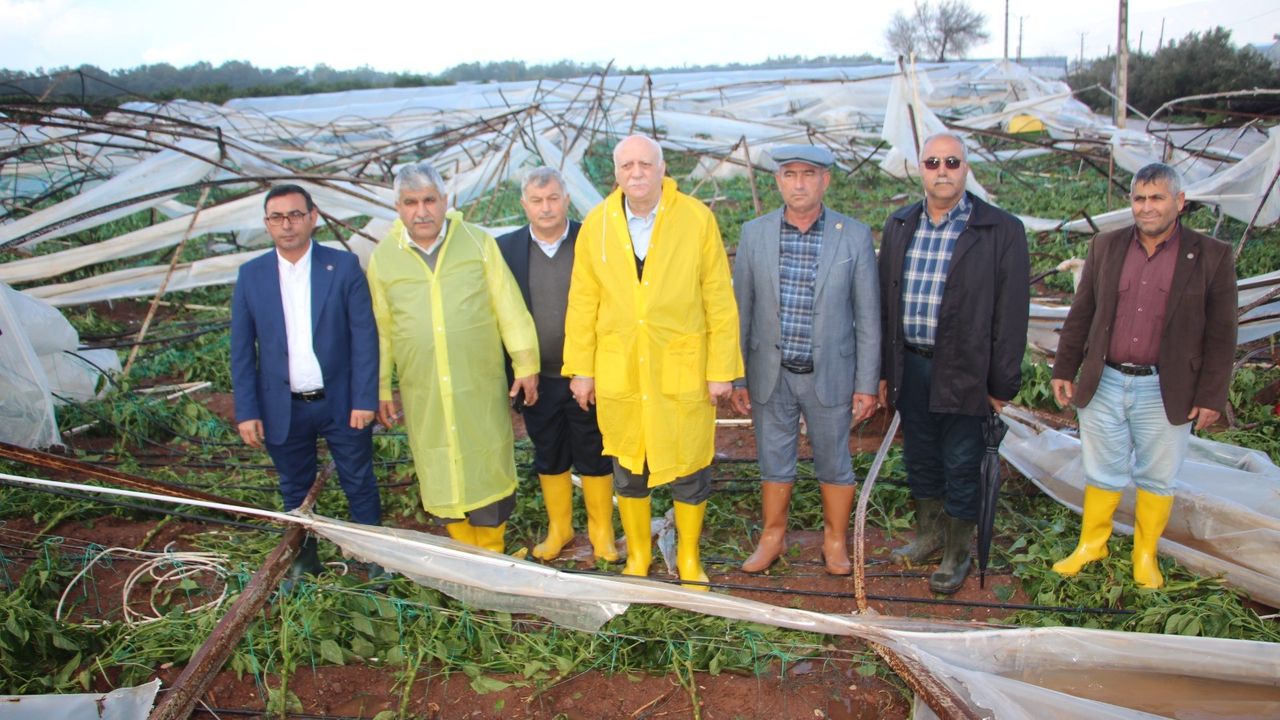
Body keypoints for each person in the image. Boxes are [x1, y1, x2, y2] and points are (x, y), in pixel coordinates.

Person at [563, 135, 742, 590]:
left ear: (663, 169)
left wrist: (721, 370)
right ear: (616, 173)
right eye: (627, 165)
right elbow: (582, 301)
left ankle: (688, 557)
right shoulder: (598, 224)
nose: (637, 172)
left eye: (645, 164)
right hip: (621, 367)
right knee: (628, 464)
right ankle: (639, 555)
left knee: (689, 464)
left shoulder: (695, 219)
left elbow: (718, 298)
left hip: (680, 366)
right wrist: (581, 369)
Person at [1050, 162, 1237, 589]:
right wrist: (1064, 366)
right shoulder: (1106, 246)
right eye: (1139, 198)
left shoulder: (1211, 255)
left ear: (1179, 202)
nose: (1147, 207)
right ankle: (1092, 544)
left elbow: (1222, 332)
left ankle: (1145, 553)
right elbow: (1082, 312)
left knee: (1158, 474)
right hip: (1106, 378)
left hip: (1165, 385)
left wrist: (1211, 395)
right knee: (1102, 468)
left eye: (1157, 198)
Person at [878, 133, 1029, 594]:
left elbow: (1012, 313)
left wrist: (1001, 384)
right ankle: (929, 534)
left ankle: (957, 552)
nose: (941, 171)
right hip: (911, 364)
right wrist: (885, 371)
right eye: (932, 163)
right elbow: (886, 303)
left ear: (965, 168)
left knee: (962, 461)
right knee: (920, 455)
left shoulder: (999, 230)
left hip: (966, 369)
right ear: (919, 169)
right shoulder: (900, 224)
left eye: (951, 162)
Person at [367, 162, 539, 553]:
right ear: (398, 207)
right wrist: (381, 388)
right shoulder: (385, 258)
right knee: (439, 465)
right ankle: (466, 551)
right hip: (424, 387)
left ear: (445, 201)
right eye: (411, 202)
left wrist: (526, 364)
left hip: (477, 382)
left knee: (487, 459)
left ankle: (492, 549)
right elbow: (382, 329)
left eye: (429, 200)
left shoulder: (477, 243)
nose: (421, 211)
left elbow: (509, 309)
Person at [730, 145, 880, 576]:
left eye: (809, 174)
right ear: (778, 181)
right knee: (773, 457)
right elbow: (741, 310)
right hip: (770, 372)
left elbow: (868, 315)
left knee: (834, 458)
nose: (799, 184)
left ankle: (834, 540)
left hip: (830, 373)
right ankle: (772, 536)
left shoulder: (852, 235)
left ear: (825, 181)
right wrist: (738, 377)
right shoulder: (755, 233)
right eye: (790, 174)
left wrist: (866, 383)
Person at [230, 184, 383, 584]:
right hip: (282, 403)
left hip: (340, 400)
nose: (287, 224)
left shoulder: (342, 266)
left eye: (295, 215)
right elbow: (242, 350)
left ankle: (374, 556)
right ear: (267, 224)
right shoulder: (252, 275)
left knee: (358, 478)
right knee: (294, 485)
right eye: (277, 217)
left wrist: (364, 398)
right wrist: (247, 410)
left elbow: (364, 337)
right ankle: (304, 558)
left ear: (313, 217)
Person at [496, 167, 617, 562]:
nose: (545, 208)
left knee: (593, 448)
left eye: (552, 199)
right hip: (536, 376)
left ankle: (601, 531)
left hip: (587, 373)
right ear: (524, 204)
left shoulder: (590, 239)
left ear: (566, 199)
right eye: (537, 200)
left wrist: (593, 368)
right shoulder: (506, 249)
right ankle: (560, 527)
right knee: (548, 450)